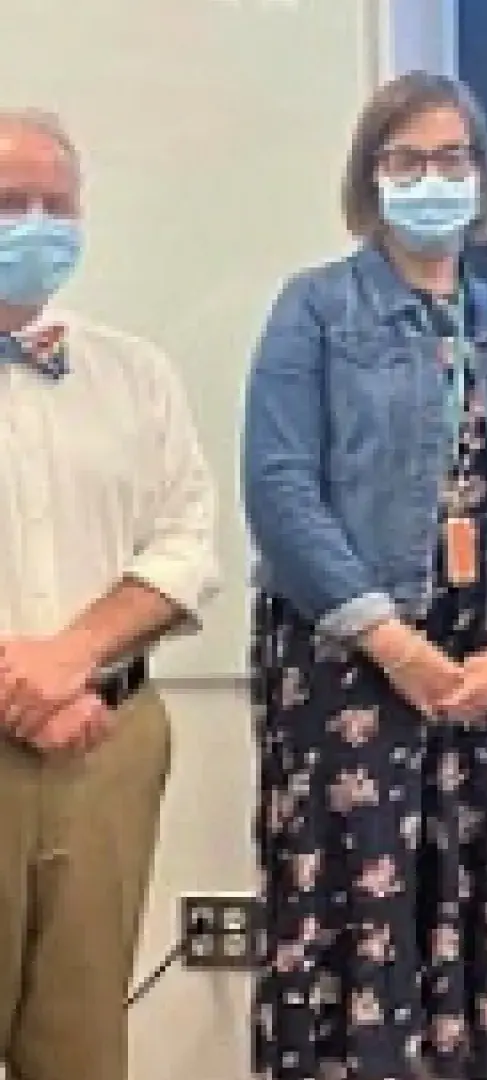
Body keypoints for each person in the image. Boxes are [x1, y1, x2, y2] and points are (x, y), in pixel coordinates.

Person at [242, 73, 487, 1080]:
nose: (433, 179)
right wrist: (392, 640)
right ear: (370, 177)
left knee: (486, 922)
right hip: (351, 673)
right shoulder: (317, 311)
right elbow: (280, 486)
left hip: (485, 685)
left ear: (483, 175)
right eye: (407, 160)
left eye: (453, 158)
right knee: (356, 920)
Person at [0, 108, 218, 1080]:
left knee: (81, 1050)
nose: (38, 223)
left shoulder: (138, 376)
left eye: (58, 202)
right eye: (10, 203)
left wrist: (70, 658)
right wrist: (24, 684)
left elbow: (186, 544)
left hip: (108, 746)